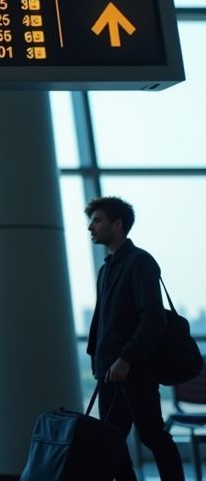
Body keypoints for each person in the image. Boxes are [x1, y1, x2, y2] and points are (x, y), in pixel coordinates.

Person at [85, 195, 183, 481]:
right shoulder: (107, 268)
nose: (91, 227)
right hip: (109, 371)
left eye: (97, 220)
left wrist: (126, 358)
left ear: (117, 224)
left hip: (135, 369)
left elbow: (154, 318)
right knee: (111, 442)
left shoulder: (140, 262)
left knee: (152, 436)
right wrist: (98, 360)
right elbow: (103, 320)